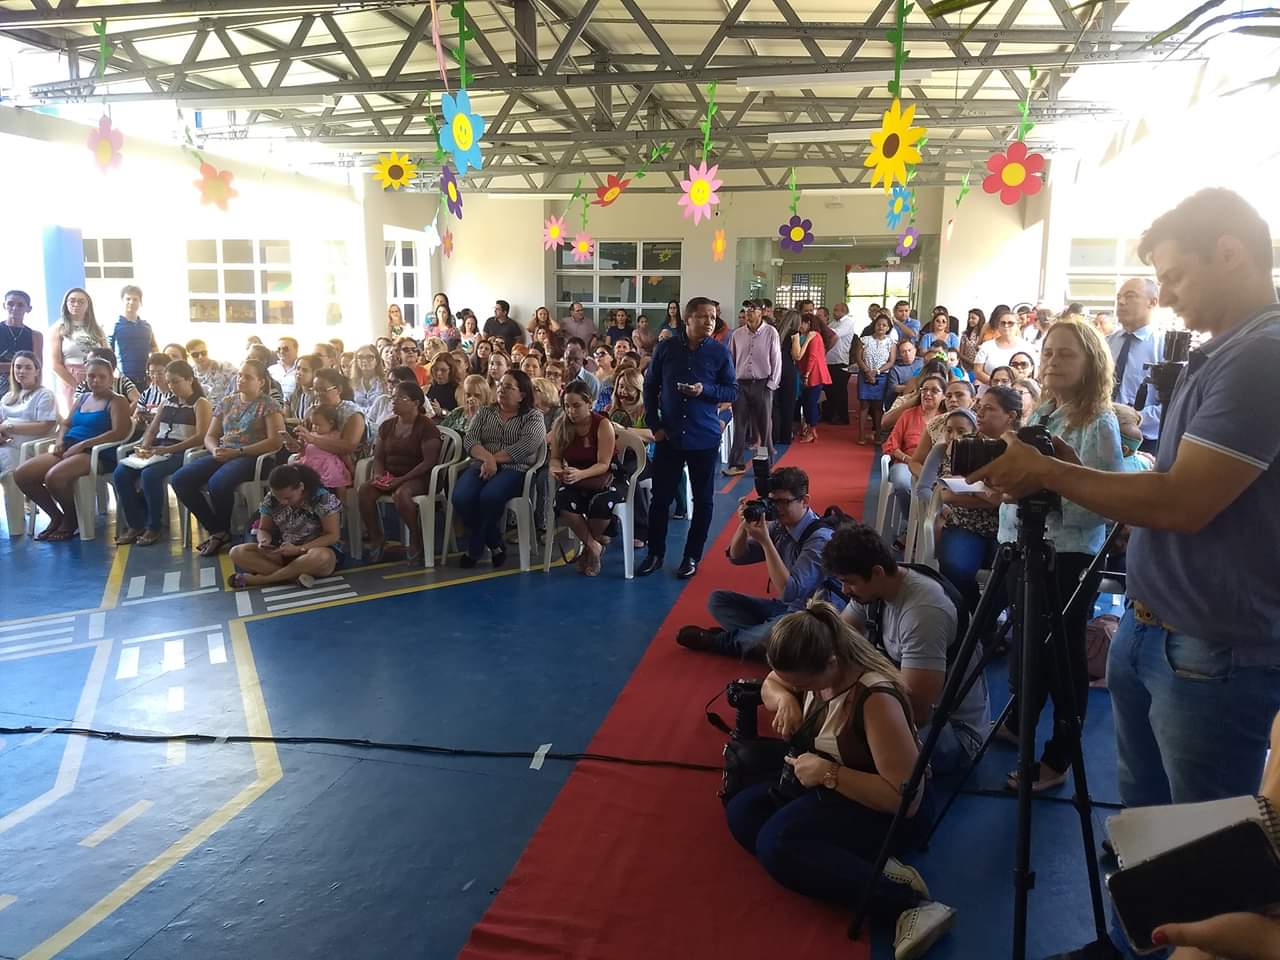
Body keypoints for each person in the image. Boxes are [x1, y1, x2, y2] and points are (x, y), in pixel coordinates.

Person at [973, 189, 1280, 813]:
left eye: (1173, 276)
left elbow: (1179, 502)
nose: (1163, 295)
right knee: (1145, 828)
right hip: (1157, 625)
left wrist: (1048, 473)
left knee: (1195, 843)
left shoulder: (1261, 357)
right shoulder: (1220, 353)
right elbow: (1162, 483)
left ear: (1229, 253)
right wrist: (1067, 468)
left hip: (1207, 645)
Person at [726, 601, 956, 960]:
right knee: (743, 813)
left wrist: (828, 774)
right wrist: (785, 699)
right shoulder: (816, 661)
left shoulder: (874, 699)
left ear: (831, 664)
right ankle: (863, 865)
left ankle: (909, 905)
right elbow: (774, 680)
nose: (797, 687)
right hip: (834, 784)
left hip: (889, 809)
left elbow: (903, 799)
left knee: (776, 845)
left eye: (802, 684)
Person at [985, 319, 1123, 791]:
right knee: (1026, 651)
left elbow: (1100, 506)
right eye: (1048, 352)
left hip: (1066, 557)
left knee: (1059, 661)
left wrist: (1045, 482)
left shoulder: (1097, 422)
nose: (1052, 361)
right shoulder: (1043, 414)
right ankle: (1018, 724)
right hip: (1020, 547)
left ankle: (1057, 759)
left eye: (1066, 354)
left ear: (1091, 363)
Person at [825, 524, 989, 775]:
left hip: (954, 734)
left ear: (877, 572)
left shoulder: (924, 613)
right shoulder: (874, 589)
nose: (845, 591)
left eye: (849, 583)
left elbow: (918, 713)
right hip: (903, 704)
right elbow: (835, 642)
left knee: (844, 743)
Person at [676, 466, 834, 658]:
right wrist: (744, 526)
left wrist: (766, 542)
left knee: (781, 631)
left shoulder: (820, 539)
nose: (776, 509)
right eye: (772, 501)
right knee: (718, 600)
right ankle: (761, 643)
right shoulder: (781, 526)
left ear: (805, 501)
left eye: (783, 502)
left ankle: (722, 642)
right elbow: (737, 557)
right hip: (785, 609)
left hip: (811, 618)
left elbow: (789, 591)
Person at [636, 297, 737, 580]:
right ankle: (655, 554)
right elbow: (651, 386)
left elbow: (732, 391)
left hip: (703, 436)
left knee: (703, 501)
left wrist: (704, 390)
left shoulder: (719, 353)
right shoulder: (666, 348)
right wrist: (655, 425)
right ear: (688, 318)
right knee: (660, 499)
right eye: (703, 317)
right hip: (669, 436)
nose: (709, 322)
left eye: (713, 318)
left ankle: (691, 556)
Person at [170, 359, 285, 557]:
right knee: (180, 479)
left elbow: (275, 442)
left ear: (261, 382)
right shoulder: (227, 401)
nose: (241, 380)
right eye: (240, 375)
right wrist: (215, 450)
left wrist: (239, 452)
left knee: (218, 483)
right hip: (223, 453)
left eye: (248, 377)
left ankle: (220, 532)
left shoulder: (268, 405)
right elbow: (210, 435)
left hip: (252, 457)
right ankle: (218, 530)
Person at [15, 356, 131, 540]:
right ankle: (56, 516)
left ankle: (71, 519)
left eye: (102, 377)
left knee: (54, 477)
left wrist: (84, 444)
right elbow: (66, 424)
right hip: (69, 447)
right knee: (22, 474)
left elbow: (119, 433)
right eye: (92, 376)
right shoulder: (83, 398)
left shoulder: (118, 400)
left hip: (95, 453)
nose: (96, 380)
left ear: (111, 377)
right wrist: (60, 440)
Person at [934, 386, 1022, 612]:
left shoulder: (1024, 451)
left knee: (1012, 578)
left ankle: (986, 626)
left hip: (1011, 530)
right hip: (966, 523)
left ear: (1010, 416)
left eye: (989, 409)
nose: (979, 413)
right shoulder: (965, 444)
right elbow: (948, 494)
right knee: (955, 568)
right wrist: (993, 497)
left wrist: (974, 489)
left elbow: (1013, 497)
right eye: (979, 407)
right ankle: (969, 619)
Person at [450, 369, 546, 568]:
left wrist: (492, 460)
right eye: (501, 385)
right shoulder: (485, 412)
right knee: (461, 497)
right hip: (481, 465)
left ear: (522, 395)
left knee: (490, 497)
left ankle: (474, 548)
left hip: (514, 468)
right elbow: (471, 439)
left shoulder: (533, 417)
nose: (501, 390)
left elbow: (526, 446)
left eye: (509, 387)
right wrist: (487, 459)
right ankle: (495, 543)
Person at [112, 360, 213, 546]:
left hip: (181, 451)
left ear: (189, 379)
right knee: (121, 473)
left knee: (150, 474)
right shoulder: (167, 401)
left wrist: (169, 450)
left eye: (175, 381)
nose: (171, 386)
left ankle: (154, 526)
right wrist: (144, 447)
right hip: (159, 448)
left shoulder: (200, 403)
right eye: (169, 382)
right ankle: (135, 524)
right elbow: (153, 429)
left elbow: (200, 437)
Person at [357, 380, 443, 563]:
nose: (393, 401)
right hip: (392, 475)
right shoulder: (387, 426)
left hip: (419, 476)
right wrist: (379, 476)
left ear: (415, 403)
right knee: (365, 490)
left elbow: (429, 462)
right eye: (393, 397)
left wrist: (401, 480)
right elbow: (378, 457)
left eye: (400, 398)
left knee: (402, 494)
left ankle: (415, 536)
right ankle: (377, 537)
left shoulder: (426, 426)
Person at [226, 463, 344, 589]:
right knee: (237, 552)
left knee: (322, 557)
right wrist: (264, 541)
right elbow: (264, 529)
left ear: (301, 487)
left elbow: (332, 535)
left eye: (288, 498)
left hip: (313, 551)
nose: (283, 502)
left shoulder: (321, 498)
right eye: (279, 497)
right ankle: (293, 577)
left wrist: (299, 549)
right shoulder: (272, 499)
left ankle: (263, 579)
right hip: (284, 551)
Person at [549, 381, 622, 577]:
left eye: (576, 405)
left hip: (604, 477)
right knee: (562, 501)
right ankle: (593, 546)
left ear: (589, 404)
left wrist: (580, 473)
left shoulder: (602, 424)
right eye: (567, 406)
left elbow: (603, 463)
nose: (571, 411)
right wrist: (556, 470)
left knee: (602, 504)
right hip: (574, 477)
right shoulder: (561, 425)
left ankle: (587, 551)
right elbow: (555, 458)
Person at [724, 300, 781, 476]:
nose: (749, 313)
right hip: (740, 384)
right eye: (747, 310)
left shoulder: (771, 332)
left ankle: (765, 462)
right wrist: (731, 383)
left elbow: (776, 359)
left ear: (761, 312)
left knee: (764, 427)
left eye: (753, 310)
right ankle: (737, 464)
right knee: (739, 425)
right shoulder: (737, 334)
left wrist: (771, 384)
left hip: (763, 384)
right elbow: (730, 360)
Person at [882, 374, 945, 531]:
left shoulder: (946, 419)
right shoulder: (908, 414)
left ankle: (924, 529)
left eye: (934, 391)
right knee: (903, 484)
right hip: (904, 463)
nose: (928, 394)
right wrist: (908, 459)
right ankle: (912, 524)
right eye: (924, 390)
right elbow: (891, 445)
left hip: (936, 468)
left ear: (943, 396)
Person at [1109, 278, 1164, 453]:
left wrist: (1137, 418)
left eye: (1130, 296)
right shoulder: (1106, 343)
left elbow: (1173, 405)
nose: (1121, 302)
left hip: (1144, 442)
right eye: (1119, 297)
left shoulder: (1164, 347)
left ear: (1153, 302)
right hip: (1101, 434)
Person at [50, 288, 108, 414]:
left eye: (81, 302)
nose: (76, 304)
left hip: (97, 376)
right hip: (71, 377)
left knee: (100, 414)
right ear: (66, 304)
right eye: (72, 301)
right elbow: (55, 364)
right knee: (76, 416)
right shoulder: (58, 328)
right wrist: (77, 386)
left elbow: (108, 356)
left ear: (88, 305)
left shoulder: (97, 329)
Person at [0, 351, 57, 475]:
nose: (22, 371)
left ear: (37, 371)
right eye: (18, 367)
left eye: (28, 367)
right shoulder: (8, 397)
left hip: (26, 448)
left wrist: (8, 427)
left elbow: (45, 426)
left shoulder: (44, 395)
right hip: (5, 444)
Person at [855, 313, 896, 445]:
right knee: (864, 406)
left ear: (888, 327)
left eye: (884, 325)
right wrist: (867, 371)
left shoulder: (891, 342)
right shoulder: (864, 340)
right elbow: (858, 357)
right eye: (879, 324)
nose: (881, 327)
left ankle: (878, 435)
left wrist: (877, 371)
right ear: (874, 325)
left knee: (878, 407)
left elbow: (891, 361)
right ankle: (861, 436)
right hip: (864, 375)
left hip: (882, 376)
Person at [792, 312, 832, 444]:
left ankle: (812, 430)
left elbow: (812, 357)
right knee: (807, 402)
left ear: (808, 323)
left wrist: (807, 374)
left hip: (814, 374)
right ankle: (809, 429)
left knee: (810, 404)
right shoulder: (806, 336)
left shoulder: (814, 336)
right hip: (807, 373)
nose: (799, 326)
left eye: (801, 323)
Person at [107, 284, 156, 388]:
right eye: (128, 299)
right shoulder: (114, 326)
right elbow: (107, 352)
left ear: (140, 302)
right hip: (122, 380)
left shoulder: (147, 326)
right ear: (122, 301)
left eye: (135, 299)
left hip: (145, 380)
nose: (131, 302)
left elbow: (154, 348)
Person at [974, 307, 1035, 386]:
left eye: (1010, 323)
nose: (1006, 325)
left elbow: (1033, 371)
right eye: (1003, 323)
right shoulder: (986, 346)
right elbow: (978, 371)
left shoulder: (1027, 347)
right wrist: (998, 384)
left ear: (1018, 325)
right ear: (998, 325)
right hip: (990, 391)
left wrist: (1013, 387)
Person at [0, 290, 43, 397]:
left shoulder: (35, 335)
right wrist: (24, 367)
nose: (15, 308)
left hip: (24, 386)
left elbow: (37, 366)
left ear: (28, 309)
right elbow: (31, 367)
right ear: (4, 305)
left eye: (20, 305)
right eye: (10, 304)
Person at [822, 302, 857, 425]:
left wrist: (821, 325)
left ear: (843, 311)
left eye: (836, 310)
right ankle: (831, 414)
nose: (834, 312)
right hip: (829, 360)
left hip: (840, 360)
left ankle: (842, 416)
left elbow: (834, 333)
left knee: (840, 390)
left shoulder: (848, 322)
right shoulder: (834, 322)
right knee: (830, 390)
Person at [771, 309, 801, 446]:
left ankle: (774, 435)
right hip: (788, 369)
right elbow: (797, 355)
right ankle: (785, 436)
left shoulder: (775, 332)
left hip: (775, 369)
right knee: (788, 404)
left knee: (775, 404)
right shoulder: (794, 334)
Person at [425, 354, 459, 419]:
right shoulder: (427, 388)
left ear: (451, 370)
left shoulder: (458, 390)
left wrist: (441, 411)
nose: (439, 373)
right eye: (435, 369)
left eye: (443, 370)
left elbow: (460, 418)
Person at [270, 337, 300, 401]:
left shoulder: (302, 370)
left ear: (296, 349)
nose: (281, 352)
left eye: (285, 349)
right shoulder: (271, 370)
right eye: (278, 349)